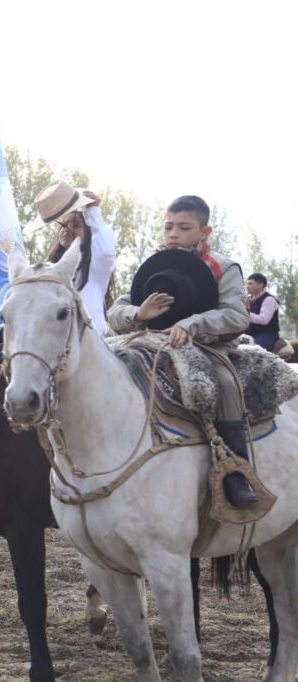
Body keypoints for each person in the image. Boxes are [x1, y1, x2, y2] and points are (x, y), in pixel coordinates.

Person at [108, 195, 256, 508]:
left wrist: (192, 324)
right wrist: (138, 314)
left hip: (208, 347)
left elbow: (237, 316)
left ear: (205, 231)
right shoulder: (156, 264)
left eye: (184, 227)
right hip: (152, 344)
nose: (173, 234)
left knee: (225, 384)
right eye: (168, 227)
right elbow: (116, 311)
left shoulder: (224, 267)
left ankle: (236, 472)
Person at [32, 182, 118, 336]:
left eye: (76, 225)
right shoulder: (47, 273)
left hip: (92, 345)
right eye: (64, 224)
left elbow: (106, 251)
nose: (68, 229)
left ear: (88, 234)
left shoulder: (95, 270)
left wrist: (93, 212)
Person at [245, 273, 281, 352]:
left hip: (266, 334)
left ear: (260, 285)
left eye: (250, 284)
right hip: (249, 333)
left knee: (256, 352)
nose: (247, 286)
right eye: (247, 284)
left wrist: (245, 314)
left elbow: (264, 320)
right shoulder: (248, 299)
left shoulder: (269, 299)